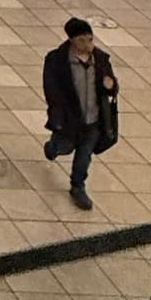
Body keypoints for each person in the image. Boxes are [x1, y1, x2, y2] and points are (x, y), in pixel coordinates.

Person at [41, 18, 118, 210]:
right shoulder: (57, 60)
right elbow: (51, 89)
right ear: (72, 41)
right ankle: (52, 148)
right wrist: (57, 111)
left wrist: (111, 86)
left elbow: (111, 85)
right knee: (64, 146)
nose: (88, 44)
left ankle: (77, 186)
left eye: (90, 39)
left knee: (84, 157)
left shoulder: (100, 60)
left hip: (93, 121)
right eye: (83, 40)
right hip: (69, 120)